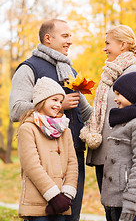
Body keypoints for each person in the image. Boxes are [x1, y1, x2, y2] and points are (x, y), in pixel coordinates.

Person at [9, 18, 92, 221]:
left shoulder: (69, 71)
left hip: (73, 156)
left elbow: (87, 113)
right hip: (43, 158)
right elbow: (15, 109)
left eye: (70, 35)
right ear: (48, 38)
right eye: (65, 36)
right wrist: (57, 105)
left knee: (72, 217)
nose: (70, 41)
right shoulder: (29, 68)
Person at [80, 25, 136, 196]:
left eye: (107, 43)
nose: (104, 48)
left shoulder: (133, 74)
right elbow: (104, 112)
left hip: (121, 158)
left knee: (124, 212)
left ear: (122, 45)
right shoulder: (110, 74)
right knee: (110, 212)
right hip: (104, 153)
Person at [18, 77, 78, 221]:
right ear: (41, 101)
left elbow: (72, 164)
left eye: (60, 101)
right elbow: (31, 166)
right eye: (54, 100)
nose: (58, 104)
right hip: (37, 204)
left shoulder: (64, 129)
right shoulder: (28, 128)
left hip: (61, 203)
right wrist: (53, 196)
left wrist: (66, 194)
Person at [101, 72, 136, 221]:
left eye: (119, 94)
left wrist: (131, 200)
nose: (115, 98)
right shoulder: (121, 121)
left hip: (127, 202)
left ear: (133, 95)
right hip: (112, 201)